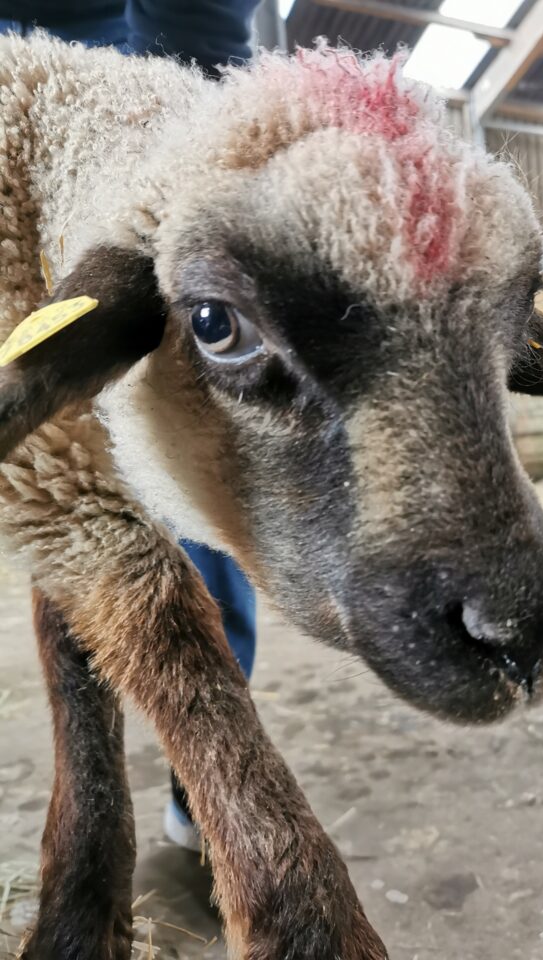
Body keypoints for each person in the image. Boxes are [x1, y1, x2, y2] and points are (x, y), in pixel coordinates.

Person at [0, 0, 263, 852]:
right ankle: (135, 804)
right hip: (41, 102)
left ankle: (200, 790)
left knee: (200, 413)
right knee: (66, 471)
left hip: (177, 80)